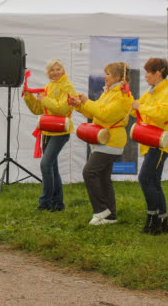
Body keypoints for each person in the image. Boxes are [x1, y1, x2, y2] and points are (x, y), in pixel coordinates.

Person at [69, 62, 133, 226]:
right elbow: (94, 111)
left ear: (118, 77)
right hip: (103, 138)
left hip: (111, 140)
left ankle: (101, 210)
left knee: (89, 172)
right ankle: (111, 216)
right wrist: (80, 106)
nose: (104, 77)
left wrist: (87, 101)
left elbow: (105, 115)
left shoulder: (122, 96)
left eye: (108, 74)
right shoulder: (109, 92)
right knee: (104, 178)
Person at [131, 58, 168, 235]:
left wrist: (141, 107)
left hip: (160, 142)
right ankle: (162, 221)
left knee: (145, 179)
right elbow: (136, 107)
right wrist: (125, 94)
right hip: (152, 141)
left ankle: (153, 217)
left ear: (158, 73)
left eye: (148, 72)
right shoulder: (152, 92)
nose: (145, 76)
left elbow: (162, 114)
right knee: (154, 181)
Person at [23, 59, 77, 211]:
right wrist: (29, 97)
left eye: (58, 69)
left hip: (61, 131)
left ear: (63, 70)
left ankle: (45, 202)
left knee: (45, 164)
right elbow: (37, 109)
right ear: (48, 73)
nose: (55, 72)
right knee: (52, 168)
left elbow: (63, 109)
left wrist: (44, 99)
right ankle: (58, 203)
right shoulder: (48, 86)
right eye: (52, 70)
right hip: (47, 130)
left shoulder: (67, 86)